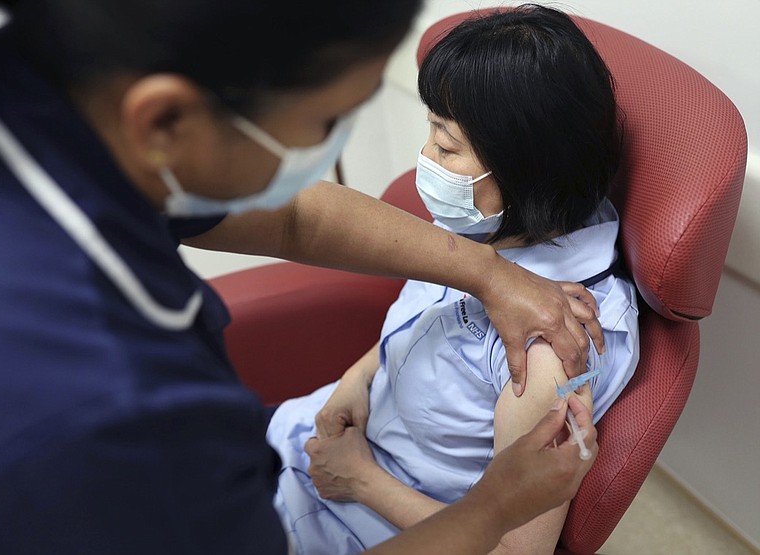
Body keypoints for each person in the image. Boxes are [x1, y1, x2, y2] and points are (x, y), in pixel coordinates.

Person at [0, 1, 599, 553]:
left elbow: (294, 219)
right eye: (325, 122)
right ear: (163, 122)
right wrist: (491, 510)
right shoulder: (113, 413)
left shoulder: (40, 95)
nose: (422, 160)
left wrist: (484, 272)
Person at [267, 6, 640, 554]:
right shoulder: (491, 230)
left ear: (525, 169)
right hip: (316, 443)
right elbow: (428, 318)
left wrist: (363, 482)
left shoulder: (551, 351)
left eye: (445, 147)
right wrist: (356, 377)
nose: (426, 159)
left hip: (374, 524)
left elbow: (515, 549)